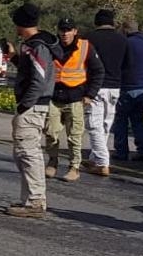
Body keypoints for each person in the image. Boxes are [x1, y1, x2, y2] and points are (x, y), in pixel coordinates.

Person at [4, 2, 57, 217]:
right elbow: (32, 71)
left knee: (28, 153)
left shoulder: (37, 46)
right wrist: (14, 57)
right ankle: (29, 200)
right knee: (23, 154)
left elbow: (39, 79)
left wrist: (26, 104)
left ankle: (35, 202)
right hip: (35, 105)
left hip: (33, 106)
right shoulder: (36, 45)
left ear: (21, 23)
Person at [44, 17, 103, 182]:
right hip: (54, 96)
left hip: (75, 97)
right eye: (62, 30)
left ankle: (74, 167)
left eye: (68, 30)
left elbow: (98, 71)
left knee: (74, 135)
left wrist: (90, 94)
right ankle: (52, 162)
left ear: (75, 31)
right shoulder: (52, 47)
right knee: (50, 133)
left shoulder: (85, 47)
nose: (65, 33)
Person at [83, 9, 126, 177]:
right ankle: (95, 157)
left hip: (95, 86)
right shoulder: (122, 39)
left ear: (96, 22)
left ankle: (102, 163)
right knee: (106, 125)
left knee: (94, 125)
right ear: (112, 22)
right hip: (115, 86)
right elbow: (126, 64)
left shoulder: (89, 39)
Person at [112, 19, 143, 163]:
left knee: (121, 120)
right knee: (137, 119)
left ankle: (121, 152)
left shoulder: (125, 43)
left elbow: (118, 63)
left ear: (126, 30)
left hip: (128, 86)